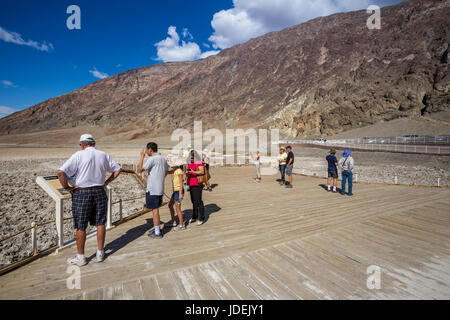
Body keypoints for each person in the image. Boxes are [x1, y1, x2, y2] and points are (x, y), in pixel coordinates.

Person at [58, 134, 121, 266]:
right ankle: (100, 253)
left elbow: (61, 172)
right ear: (93, 143)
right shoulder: (103, 154)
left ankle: (81, 257)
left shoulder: (78, 155)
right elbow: (117, 169)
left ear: (82, 144)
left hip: (82, 193)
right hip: (99, 191)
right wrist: (107, 181)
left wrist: (66, 187)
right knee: (100, 222)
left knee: (81, 225)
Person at [139, 142, 169, 238]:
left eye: (147, 150)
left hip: (152, 189)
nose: (146, 151)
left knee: (154, 210)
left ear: (150, 150)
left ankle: (157, 233)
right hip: (160, 188)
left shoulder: (152, 159)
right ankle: (156, 229)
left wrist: (142, 157)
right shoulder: (163, 158)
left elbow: (140, 169)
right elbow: (166, 171)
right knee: (156, 209)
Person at [186, 150, 206, 225]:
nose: (191, 159)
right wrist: (187, 173)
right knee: (193, 201)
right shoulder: (189, 162)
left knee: (198, 201)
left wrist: (192, 171)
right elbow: (189, 171)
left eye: (192, 158)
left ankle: (201, 217)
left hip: (197, 183)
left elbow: (201, 171)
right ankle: (194, 216)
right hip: (191, 183)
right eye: (190, 158)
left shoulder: (199, 162)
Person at [168, 165, 186, 231]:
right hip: (175, 191)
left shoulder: (179, 171)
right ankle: (173, 221)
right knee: (170, 205)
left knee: (178, 208)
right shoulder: (175, 170)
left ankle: (181, 225)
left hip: (179, 191)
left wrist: (180, 194)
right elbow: (168, 172)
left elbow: (181, 183)